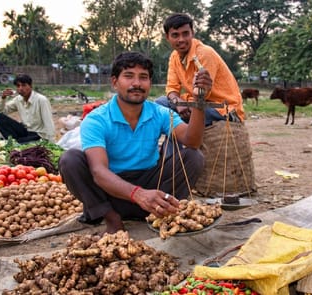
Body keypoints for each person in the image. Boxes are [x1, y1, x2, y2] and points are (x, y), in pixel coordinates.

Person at [58, 51, 208, 233]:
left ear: (150, 83)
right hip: (111, 192)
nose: (136, 83)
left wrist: (199, 99)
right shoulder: (97, 119)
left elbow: (192, 141)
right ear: (115, 82)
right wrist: (138, 194)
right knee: (70, 160)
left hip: (151, 185)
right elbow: (98, 172)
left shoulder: (159, 113)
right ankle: (111, 218)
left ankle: (164, 209)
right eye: (128, 76)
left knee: (193, 156)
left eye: (143, 77)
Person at [156, 13, 245, 126]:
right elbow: (172, 89)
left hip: (221, 107)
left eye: (185, 34)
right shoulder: (174, 56)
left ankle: (181, 141)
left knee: (181, 117)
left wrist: (185, 105)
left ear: (192, 33)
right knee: (159, 104)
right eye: (175, 35)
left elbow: (203, 95)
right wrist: (178, 102)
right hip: (195, 103)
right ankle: (175, 141)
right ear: (167, 37)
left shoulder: (204, 53)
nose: (181, 39)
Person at [0, 74, 56, 143]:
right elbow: (1, 111)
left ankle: (18, 142)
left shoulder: (41, 100)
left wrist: (52, 142)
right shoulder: (18, 99)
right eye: (18, 86)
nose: (20, 88)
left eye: (23, 85)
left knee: (23, 145)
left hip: (38, 135)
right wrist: (3, 98)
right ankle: (14, 142)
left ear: (30, 86)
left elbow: (49, 123)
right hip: (25, 131)